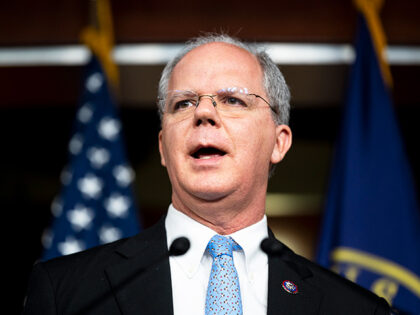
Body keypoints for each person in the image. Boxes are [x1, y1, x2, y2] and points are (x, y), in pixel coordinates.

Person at [23, 34, 392, 315]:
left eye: (233, 100)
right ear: (164, 146)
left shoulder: (356, 308)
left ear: (279, 143)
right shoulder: (64, 292)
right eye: (183, 103)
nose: (203, 113)